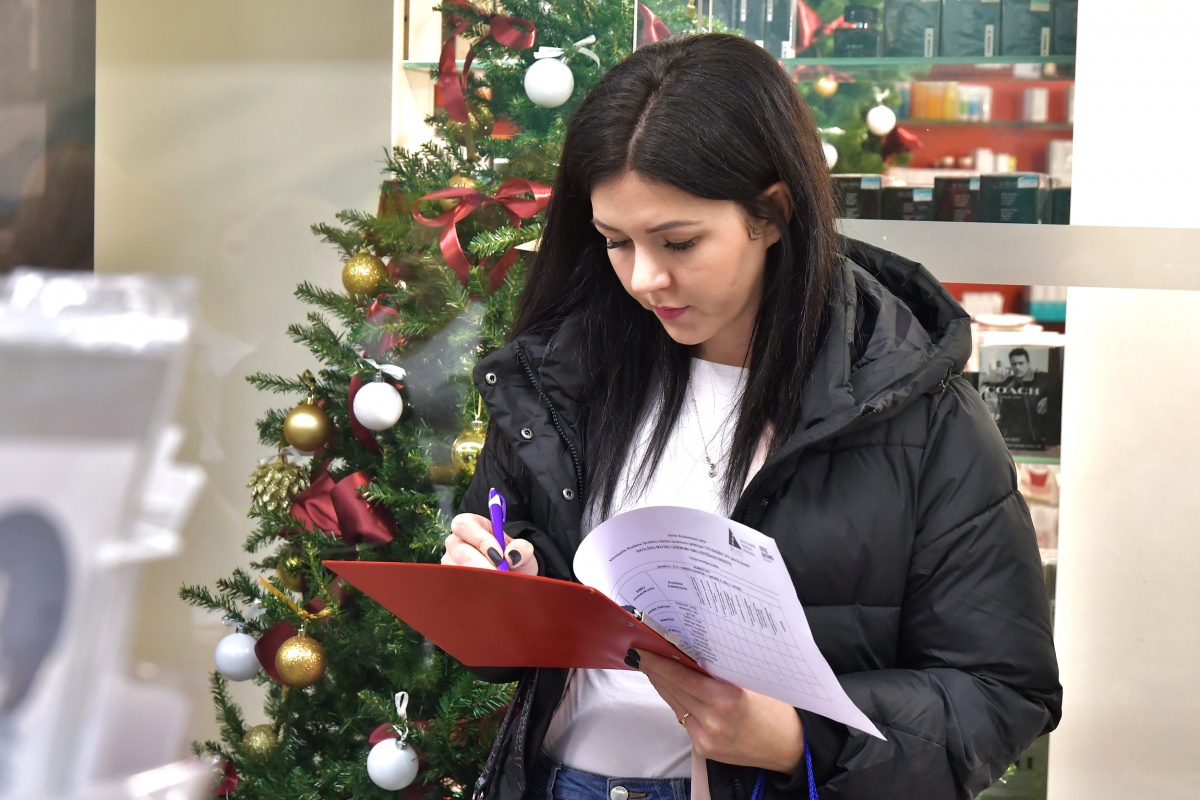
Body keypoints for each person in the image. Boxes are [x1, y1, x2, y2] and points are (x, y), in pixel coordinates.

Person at [441, 33, 1061, 800]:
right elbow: (507, 634)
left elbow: (1003, 692)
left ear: (771, 213)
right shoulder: (561, 379)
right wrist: (502, 582)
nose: (645, 278)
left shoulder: (921, 417)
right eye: (615, 242)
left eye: (679, 242)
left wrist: (800, 738)